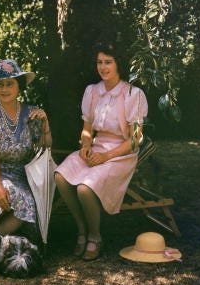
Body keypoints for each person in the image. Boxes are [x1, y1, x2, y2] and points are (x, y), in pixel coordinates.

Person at [54, 43, 148, 261]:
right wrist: (86, 146)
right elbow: (87, 130)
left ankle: (95, 236)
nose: (103, 67)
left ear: (118, 64)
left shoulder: (133, 94)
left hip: (120, 153)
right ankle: (81, 230)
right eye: (99, 62)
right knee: (60, 175)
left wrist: (105, 156)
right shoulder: (92, 91)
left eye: (108, 62)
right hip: (95, 148)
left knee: (85, 189)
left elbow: (135, 140)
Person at [0, 59, 52, 237]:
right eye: (0, 84)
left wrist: (45, 125)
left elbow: (44, 148)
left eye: (10, 84)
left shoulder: (32, 112)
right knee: (16, 195)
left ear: (19, 86)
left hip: (22, 174)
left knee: (30, 202)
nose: (4, 89)